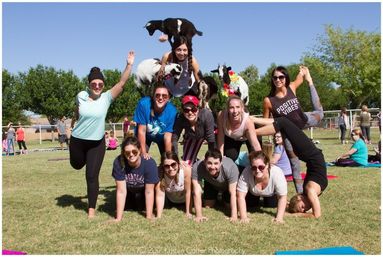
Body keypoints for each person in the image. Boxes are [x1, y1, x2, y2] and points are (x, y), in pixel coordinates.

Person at [69, 50, 135, 218]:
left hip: (96, 143)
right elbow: (77, 111)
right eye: (94, 83)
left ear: (103, 85)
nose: (97, 86)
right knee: (76, 165)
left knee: (91, 175)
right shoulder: (81, 96)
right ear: (89, 84)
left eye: (100, 83)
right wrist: (74, 123)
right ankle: (81, 158)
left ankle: (91, 210)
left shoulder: (106, 98)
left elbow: (121, 83)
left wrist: (129, 64)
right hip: (77, 140)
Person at [252, 66, 322, 194]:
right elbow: (266, 122)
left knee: (320, 113)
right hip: (289, 134)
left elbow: (299, 78)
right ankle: (301, 195)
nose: (278, 80)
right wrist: (259, 139)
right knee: (295, 164)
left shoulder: (292, 87)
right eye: (275, 77)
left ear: (285, 78)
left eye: (281, 77)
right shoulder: (269, 101)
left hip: (304, 120)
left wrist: (304, 72)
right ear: (272, 80)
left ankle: (311, 81)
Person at [255, 117, 328, 218]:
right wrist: (295, 214)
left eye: (301, 208)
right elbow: (317, 215)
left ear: (299, 198)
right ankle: (251, 130)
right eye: (303, 209)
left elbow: (315, 214)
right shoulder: (310, 191)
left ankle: (251, 131)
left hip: (309, 154)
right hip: (310, 154)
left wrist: (289, 212)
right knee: (283, 123)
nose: (304, 210)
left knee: (284, 124)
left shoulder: (309, 191)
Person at [112, 136, 159, 221]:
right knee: (127, 206)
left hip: (144, 192)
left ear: (140, 150)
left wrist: (148, 217)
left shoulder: (149, 163)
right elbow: (121, 191)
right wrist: (118, 219)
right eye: (127, 152)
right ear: (123, 153)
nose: (131, 155)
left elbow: (149, 191)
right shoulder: (119, 162)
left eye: (134, 151)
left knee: (142, 206)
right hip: (129, 191)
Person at [237, 150, 288, 223]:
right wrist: (243, 217)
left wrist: (279, 218)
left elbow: (282, 197)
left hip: (271, 193)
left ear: (267, 165)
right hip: (253, 193)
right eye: (254, 167)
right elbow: (240, 196)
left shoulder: (277, 173)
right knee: (251, 204)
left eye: (261, 167)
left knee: (271, 205)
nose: (257, 170)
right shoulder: (247, 171)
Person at [192, 149, 239, 222]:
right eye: (209, 163)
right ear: (204, 162)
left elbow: (233, 193)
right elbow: (197, 192)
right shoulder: (197, 167)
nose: (212, 167)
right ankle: (215, 197)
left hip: (227, 186)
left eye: (216, 163)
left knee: (228, 206)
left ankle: (223, 197)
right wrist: (199, 216)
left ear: (221, 163)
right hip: (211, 184)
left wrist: (234, 216)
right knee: (208, 206)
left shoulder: (230, 167)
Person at [133, 84, 177, 160]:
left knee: (170, 160)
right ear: (153, 96)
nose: (160, 98)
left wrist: (168, 159)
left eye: (164, 96)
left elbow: (167, 137)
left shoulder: (172, 111)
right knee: (139, 158)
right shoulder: (144, 104)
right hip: (145, 136)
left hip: (162, 137)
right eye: (157, 95)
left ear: (168, 98)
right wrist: (143, 153)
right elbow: (141, 131)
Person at [217, 95, 262, 163]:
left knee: (254, 157)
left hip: (246, 136)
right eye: (231, 107)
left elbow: (255, 144)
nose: (235, 111)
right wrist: (220, 159)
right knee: (231, 157)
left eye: (238, 107)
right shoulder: (221, 116)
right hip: (232, 137)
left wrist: (262, 162)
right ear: (227, 109)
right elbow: (220, 137)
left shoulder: (248, 121)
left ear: (242, 108)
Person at [172, 95, 215, 165]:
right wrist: (176, 159)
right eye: (186, 110)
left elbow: (211, 138)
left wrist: (209, 157)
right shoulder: (180, 118)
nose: (190, 112)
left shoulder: (206, 114)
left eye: (193, 109)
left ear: (198, 109)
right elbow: (174, 138)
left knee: (212, 162)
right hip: (193, 137)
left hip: (212, 136)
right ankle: (194, 162)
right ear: (182, 110)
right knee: (187, 163)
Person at [155, 151, 192, 218]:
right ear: (163, 167)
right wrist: (158, 216)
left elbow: (188, 191)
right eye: (166, 166)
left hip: (185, 200)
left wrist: (188, 212)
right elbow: (160, 195)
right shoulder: (159, 172)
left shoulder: (186, 170)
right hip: (171, 201)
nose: (171, 169)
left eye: (173, 164)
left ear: (178, 163)